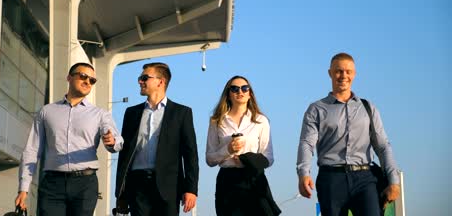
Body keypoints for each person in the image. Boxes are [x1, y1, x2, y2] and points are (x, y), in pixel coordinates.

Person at [296, 52, 401, 216]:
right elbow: (307, 144)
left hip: (365, 180)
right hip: (331, 179)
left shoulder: (368, 108)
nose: (343, 75)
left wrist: (394, 181)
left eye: (348, 71)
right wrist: (303, 173)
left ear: (354, 74)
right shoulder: (316, 109)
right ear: (330, 73)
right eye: (338, 71)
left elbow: (382, 146)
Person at [15, 62, 124, 216]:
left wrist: (112, 142)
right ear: (69, 77)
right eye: (83, 76)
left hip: (85, 184)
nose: (87, 82)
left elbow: (117, 141)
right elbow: (32, 150)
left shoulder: (100, 114)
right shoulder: (47, 111)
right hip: (52, 184)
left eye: (92, 80)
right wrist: (23, 188)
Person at [114, 62, 199, 216]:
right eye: (140, 78)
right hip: (137, 186)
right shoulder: (131, 113)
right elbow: (124, 155)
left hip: (169, 188)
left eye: (144, 78)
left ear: (161, 81)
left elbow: (190, 154)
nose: (140, 81)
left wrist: (191, 189)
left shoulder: (181, 113)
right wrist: (121, 193)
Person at [206, 75, 281, 216]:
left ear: (250, 94)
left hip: (253, 179)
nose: (240, 92)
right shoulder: (216, 121)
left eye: (245, 88)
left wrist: (247, 158)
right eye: (234, 89)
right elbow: (210, 159)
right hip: (227, 181)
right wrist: (228, 150)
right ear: (228, 94)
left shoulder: (261, 120)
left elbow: (268, 158)